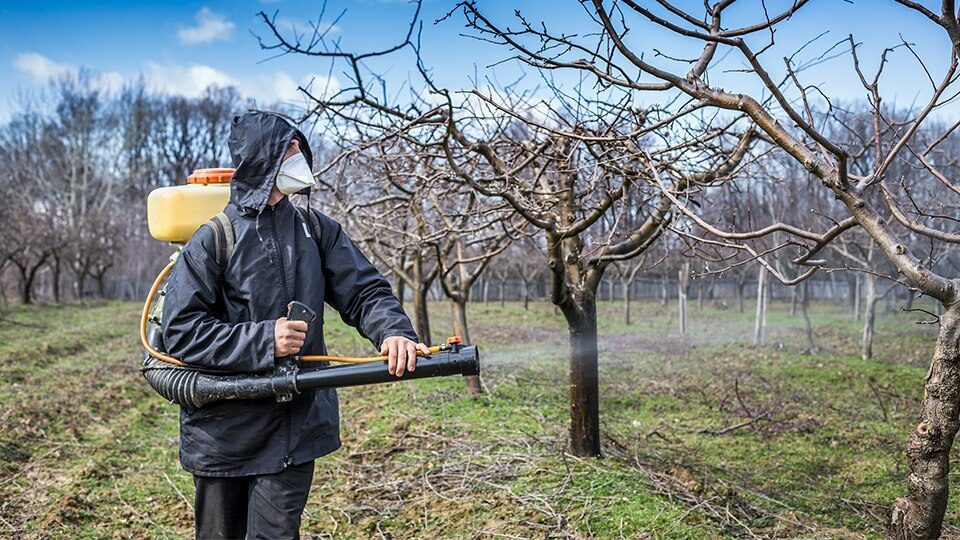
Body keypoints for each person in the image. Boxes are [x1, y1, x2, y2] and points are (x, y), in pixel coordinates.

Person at [160, 111, 427, 539]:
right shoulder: (213, 239)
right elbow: (182, 332)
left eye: (299, 147)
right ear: (262, 159)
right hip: (222, 433)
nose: (299, 156)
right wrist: (267, 339)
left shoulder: (315, 229)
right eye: (289, 148)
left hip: (292, 429)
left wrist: (393, 330)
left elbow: (364, 291)